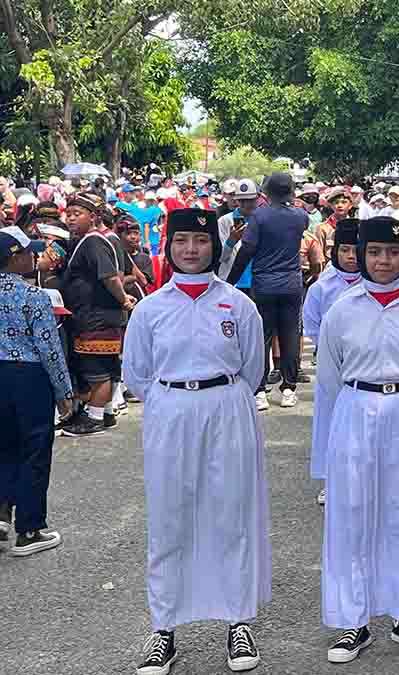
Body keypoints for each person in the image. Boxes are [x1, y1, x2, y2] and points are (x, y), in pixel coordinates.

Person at [122, 208, 271, 675]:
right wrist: (175, 404)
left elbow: (252, 369)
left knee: (231, 515)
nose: (191, 249)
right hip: (170, 411)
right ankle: (163, 629)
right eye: (182, 240)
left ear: (215, 246)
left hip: (227, 407)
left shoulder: (237, 304)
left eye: (201, 241)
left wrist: (217, 401)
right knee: (170, 519)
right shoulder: (151, 308)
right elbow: (137, 374)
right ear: (169, 245)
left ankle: (238, 622)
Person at [314, 216, 399, 663]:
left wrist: (398, 401)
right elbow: (331, 375)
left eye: (392, 252)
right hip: (355, 409)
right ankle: (354, 622)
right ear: (361, 256)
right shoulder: (342, 309)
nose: (384, 261)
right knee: (352, 515)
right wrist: (368, 402)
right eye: (374, 253)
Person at [0, 226, 71, 557]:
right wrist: (63, 390)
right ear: (14, 258)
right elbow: (50, 349)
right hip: (27, 376)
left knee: (4, 446)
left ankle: (2, 517)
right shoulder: (33, 297)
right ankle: (29, 530)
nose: (35, 256)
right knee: (34, 449)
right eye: (30, 252)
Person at [225, 173, 307, 411]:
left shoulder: (259, 217)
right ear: (291, 191)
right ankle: (289, 389)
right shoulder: (301, 217)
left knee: (263, 336)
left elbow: (247, 250)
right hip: (292, 282)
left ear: (266, 193)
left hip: (264, 283)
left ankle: (260, 390)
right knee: (290, 334)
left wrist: (230, 281)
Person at [60, 193, 134, 436]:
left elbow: (110, 276)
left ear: (92, 217)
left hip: (97, 317)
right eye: (68, 214)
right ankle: (107, 412)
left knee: (97, 370)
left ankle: (95, 419)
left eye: (76, 214)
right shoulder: (87, 241)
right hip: (92, 315)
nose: (70, 219)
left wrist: (123, 299)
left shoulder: (93, 242)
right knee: (102, 367)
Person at [303, 219, 361, 507]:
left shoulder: (373, 283)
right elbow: (312, 324)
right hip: (332, 364)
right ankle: (330, 478)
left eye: (357, 250)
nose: (351, 256)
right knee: (330, 420)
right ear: (335, 250)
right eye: (345, 250)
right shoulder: (322, 286)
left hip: (365, 365)